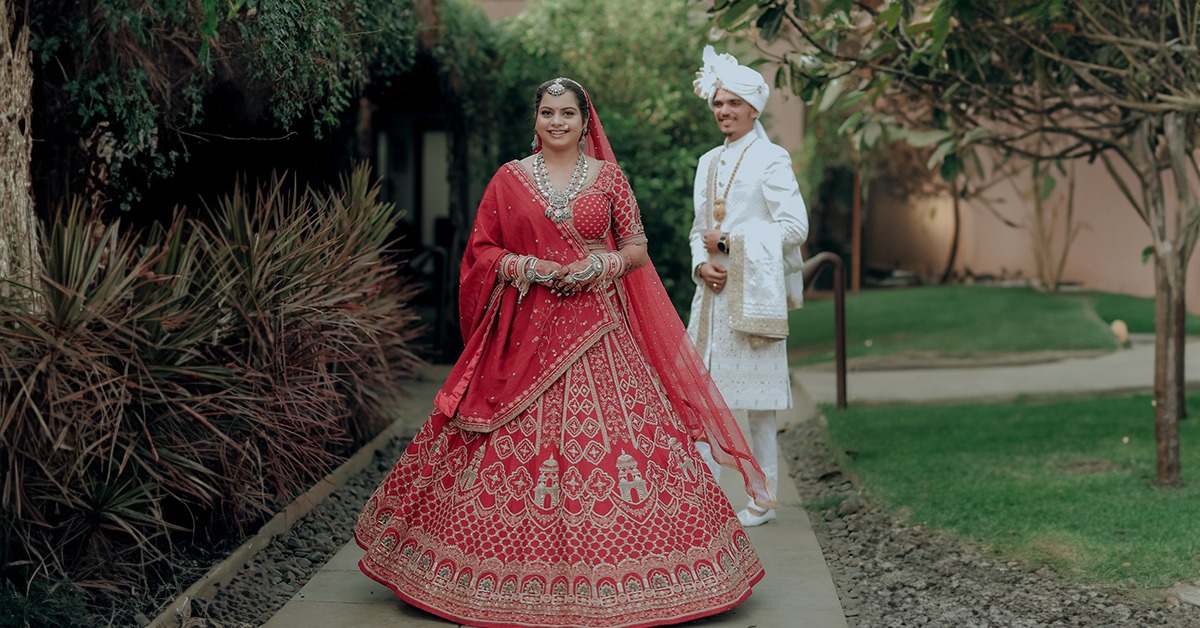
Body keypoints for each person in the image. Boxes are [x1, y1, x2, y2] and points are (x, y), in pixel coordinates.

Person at [354, 77, 776, 628]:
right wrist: (530, 267)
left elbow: (636, 247)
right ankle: (473, 574)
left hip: (600, 327)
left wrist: (598, 266)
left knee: (629, 441)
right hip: (524, 330)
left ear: (584, 121)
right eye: (548, 113)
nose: (557, 122)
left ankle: (660, 578)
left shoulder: (609, 179)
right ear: (536, 119)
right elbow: (483, 250)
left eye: (568, 114)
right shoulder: (509, 179)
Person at [687, 47, 809, 528]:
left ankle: (761, 498)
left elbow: (794, 226)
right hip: (711, 297)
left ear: (753, 108)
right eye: (718, 102)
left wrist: (733, 244)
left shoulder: (771, 159)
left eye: (733, 103)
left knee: (758, 406)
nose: (723, 111)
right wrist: (702, 264)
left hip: (753, 295)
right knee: (701, 398)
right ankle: (702, 497)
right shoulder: (706, 160)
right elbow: (699, 229)